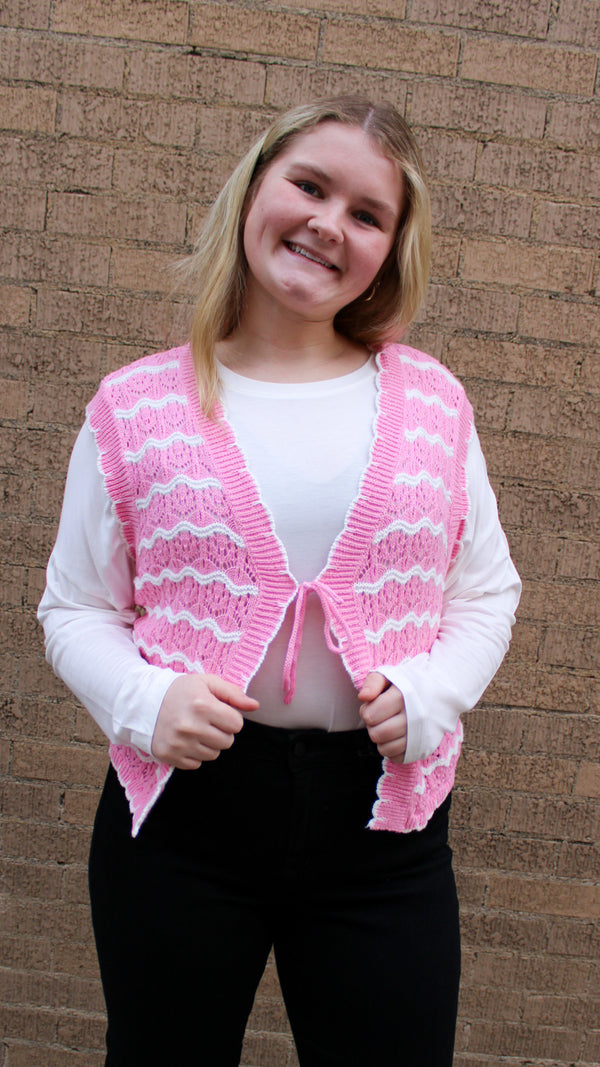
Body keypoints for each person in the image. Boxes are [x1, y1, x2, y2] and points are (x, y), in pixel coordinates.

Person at [38, 96, 521, 1067]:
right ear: (256, 188)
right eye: (309, 184)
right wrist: (144, 699)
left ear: (390, 249)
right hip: (182, 819)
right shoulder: (135, 405)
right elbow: (74, 606)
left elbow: (485, 591)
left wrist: (432, 692)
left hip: (384, 821)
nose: (329, 222)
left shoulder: (433, 401)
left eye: (367, 213)